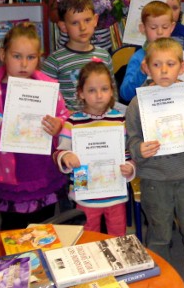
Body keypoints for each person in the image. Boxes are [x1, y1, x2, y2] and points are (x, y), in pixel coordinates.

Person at [126, 38, 184, 288]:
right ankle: (159, 276)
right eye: (157, 64)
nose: (164, 70)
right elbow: (132, 139)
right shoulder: (137, 103)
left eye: (170, 64)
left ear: (182, 66)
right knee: (159, 232)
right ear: (146, 67)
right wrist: (139, 149)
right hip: (155, 178)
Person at [0, 23, 69, 230]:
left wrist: (59, 126)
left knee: (44, 229)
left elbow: (64, 117)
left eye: (31, 57)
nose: (24, 64)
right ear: (3, 54)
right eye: (17, 56)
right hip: (8, 176)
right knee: (13, 230)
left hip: (43, 171)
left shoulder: (47, 87)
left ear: (39, 58)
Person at [53, 61, 134, 236]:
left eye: (104, 89)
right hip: (85, 195)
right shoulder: (72, 123)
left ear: (112, 90)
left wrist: (131, 168)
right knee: (88, 239)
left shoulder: (120, 119)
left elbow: (128, 152)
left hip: (116, 194)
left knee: (118, 238)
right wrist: (66, 156)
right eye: (91, 90)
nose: (99, 95)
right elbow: (59, 152)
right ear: (80, 93)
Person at [41, 0, 113, 112]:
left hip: (100, 122)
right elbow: (46, 101)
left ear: (95, 20)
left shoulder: (104, 56)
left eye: (87, 20)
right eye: (75, 22)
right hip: (70, 125)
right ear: (63, 26)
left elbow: (111, 93)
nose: (82, 27)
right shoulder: (54, 62)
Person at [119, 0, 175, 103]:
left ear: (172, 27)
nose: (160, 32)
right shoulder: (138, 57)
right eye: (153, 27)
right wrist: (141, 72)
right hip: (148, 110)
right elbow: (125, 94)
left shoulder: (179, 55)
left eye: (165, 27)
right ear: (143, 28)